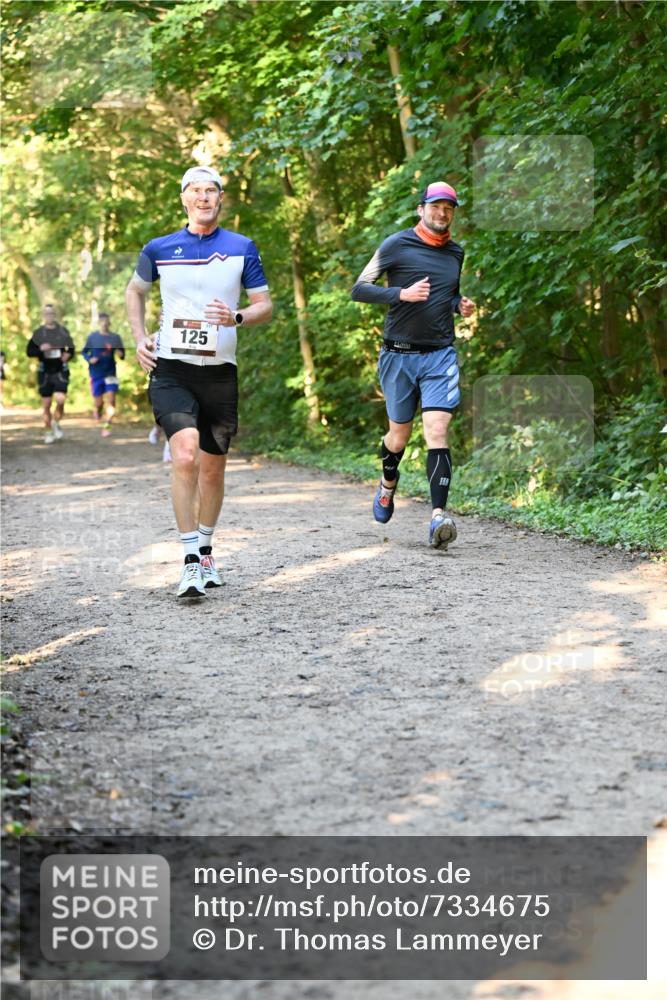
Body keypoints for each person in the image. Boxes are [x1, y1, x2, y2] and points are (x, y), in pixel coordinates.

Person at [125, 166, 272, 599]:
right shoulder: (159, 248)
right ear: (184, 199)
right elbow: (135, 291)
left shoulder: (242, 247)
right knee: (184, 454)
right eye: (196, 190)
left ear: (220, 199)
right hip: (171, 369)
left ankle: (207, 549)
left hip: (220, 373)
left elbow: (263, 304)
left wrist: (238, 316)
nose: (204, 197)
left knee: (212, 468)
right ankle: (189, 560)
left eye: (211, 190)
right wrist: (138, 339)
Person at [351, 181, 476, 549]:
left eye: (449, 209)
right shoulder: (396, 245)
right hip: (398, 355)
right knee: (398, 437)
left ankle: (438, 517)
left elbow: (447, 295)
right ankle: (388, 483)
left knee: (437, 430)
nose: (442, 213)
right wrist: (400, 294)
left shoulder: (456, 252)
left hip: (439, 354)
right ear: (421, 209)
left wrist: (459, 305)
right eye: (436, 206)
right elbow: (359, 289)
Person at [26, 304, 75, 444]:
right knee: (46, 404)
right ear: (43, 316)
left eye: (52, 313)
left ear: (55, 315)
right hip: (45, 372)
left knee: (60, 400)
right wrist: (40, 349)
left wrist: (68, 355)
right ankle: (48, 432)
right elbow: (29, 352)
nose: (49, 316)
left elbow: (71, 348)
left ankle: (56, 422)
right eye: (47, 314)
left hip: (60, 370)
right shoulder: (39, 333)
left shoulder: (62, 331)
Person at [81, 313, 125, 437]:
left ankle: (107, 425)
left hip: (110, 373)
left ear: (109, 322)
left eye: (106, 321)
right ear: (99, 323)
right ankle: (97, 410)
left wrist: (119, 352)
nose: (104, 323)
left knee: (111, 401)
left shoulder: (115, 337)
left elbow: (122, 355)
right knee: (99, 403)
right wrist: (90, 359)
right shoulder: (93, 337)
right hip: (96, 373)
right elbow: (84, 352)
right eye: (102, 321)